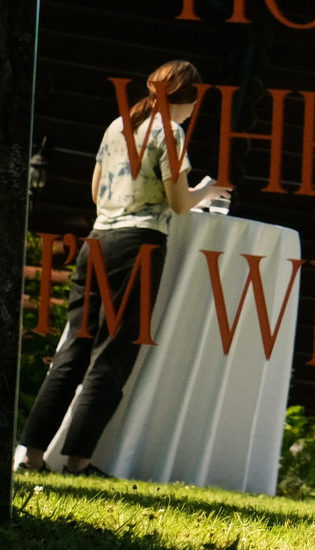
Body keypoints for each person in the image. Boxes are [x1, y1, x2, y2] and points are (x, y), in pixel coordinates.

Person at [19, 60, 231, 474]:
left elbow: (96, 191)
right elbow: (179, 203)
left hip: (97, 241)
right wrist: (205, 187)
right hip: (138, 248)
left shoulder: (119, 126)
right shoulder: (172, 133)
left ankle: (31, 454)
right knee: (112, 355)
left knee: (74, 349)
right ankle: (78, 461)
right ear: (187, 99)